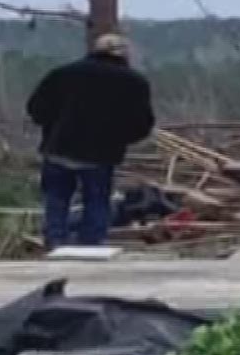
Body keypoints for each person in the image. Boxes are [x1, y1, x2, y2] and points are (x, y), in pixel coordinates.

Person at [25, 32, 154, 248]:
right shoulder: (134, 82)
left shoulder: (63, 74)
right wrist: (121, 139)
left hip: (59, 149)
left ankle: (55, 242)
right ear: (124, 53)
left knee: (56, 200)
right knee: (97, 201)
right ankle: (91, 247)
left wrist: (53, 129)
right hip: (101, 154)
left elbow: (36, 108)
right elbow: (142, 123)